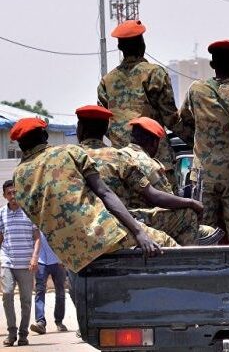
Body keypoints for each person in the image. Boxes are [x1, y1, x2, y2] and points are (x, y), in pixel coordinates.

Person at [10, 117, 175, 273]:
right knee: (166, 241)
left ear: (20, 145)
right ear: (45, 135)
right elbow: (105, 193)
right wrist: (139, 232)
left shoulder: (18, 176)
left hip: (72, 257)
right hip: (104, 236)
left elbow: (35, 216)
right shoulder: (69, 152)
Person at [76, 107, 221, 245]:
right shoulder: (121, 158)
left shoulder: (70, 156)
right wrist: (190, 202)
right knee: (188, 215)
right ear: (154, 142)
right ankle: (186, 260)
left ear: (79, 129)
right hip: (123, 221)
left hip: (82, 222)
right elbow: (159, 197)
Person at [178, 40, 229, 244]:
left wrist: (200, 142)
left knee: (204, 234)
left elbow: (183, 122)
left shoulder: (197, 90)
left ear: (212, 65)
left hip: (203, 174)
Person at [97, 20, 182, 173]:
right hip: (155, 160)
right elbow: (171, 118)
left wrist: (122, 140)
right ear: (142, 45)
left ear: (120, 47)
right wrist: (195, 139)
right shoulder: (155, 73)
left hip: (122, 163)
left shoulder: (107, 81)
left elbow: (102, 124)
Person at [1, 180, 40, 347]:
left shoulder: (29, 212)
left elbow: (37, 237)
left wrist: (34, 257)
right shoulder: (1, 213)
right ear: (4, 196)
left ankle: (23, 334)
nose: (12, 196)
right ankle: (12, 333)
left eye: (15, 192)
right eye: (9, 193)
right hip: (8, 261)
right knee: (7, 294)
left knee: (26, 300)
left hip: (26, 264)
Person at [29, 233, 67, 335]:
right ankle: (40, 322)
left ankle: (59, 321)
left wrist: (64, 258)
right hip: (41, 261)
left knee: (60, 293)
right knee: (40, 291)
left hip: (58, 262)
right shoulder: (35, 225)